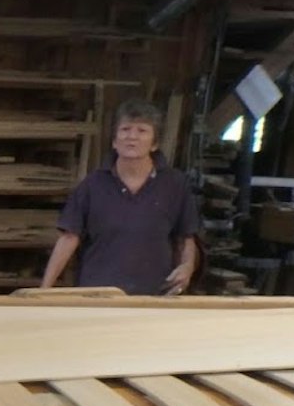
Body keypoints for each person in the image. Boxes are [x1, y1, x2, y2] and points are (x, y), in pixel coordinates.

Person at [40, 98, 199, 295]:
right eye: (125, 129)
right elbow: (69, 237)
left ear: (154, 143)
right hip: (98, 295)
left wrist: (187, 267)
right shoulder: (93, 185)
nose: (131, 137)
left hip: (154, 297)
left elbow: (185, 237)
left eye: (142, 130)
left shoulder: (175, 185)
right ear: (115, 141)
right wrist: (44, 290)